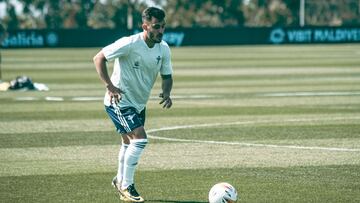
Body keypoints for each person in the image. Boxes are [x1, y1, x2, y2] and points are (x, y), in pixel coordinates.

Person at [93, 7, 173, 202]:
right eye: (156, 26)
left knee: (128, 143)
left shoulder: (164, 48)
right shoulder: (129, 43)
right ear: (145, 26)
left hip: (138, 104)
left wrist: (167, 92)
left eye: (163, 26)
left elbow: (167, 75)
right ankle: (127, 186)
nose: (160, 31)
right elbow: (99, 58)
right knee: (140, 139)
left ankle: (119, 179)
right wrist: (110, 87)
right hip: (119, 101)